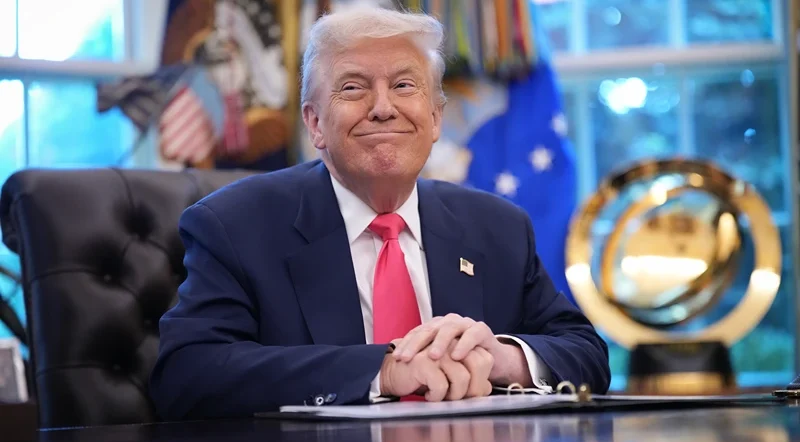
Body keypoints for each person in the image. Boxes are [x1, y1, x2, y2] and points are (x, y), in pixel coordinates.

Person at [150, 6, 610, 420]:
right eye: (353, 88)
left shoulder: (498, 227)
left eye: (404, 86)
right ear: (314, 123)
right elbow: (187, 374)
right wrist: (383, 370)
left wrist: (502, 356)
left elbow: (586, 353)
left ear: (434, 119)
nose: (383, 108)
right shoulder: (234, 225)